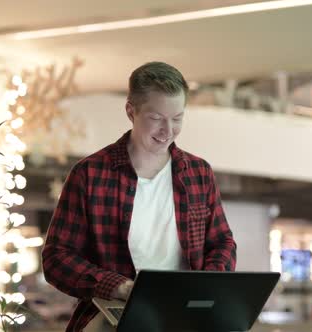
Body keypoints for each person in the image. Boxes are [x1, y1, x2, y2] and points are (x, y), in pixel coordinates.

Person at [42, 61, 237, 331]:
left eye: (177, 118)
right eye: (156, 118)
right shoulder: (90, 174)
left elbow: (222, 243)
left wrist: (207, 285)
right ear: (130, 111)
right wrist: (119, 288)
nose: (168, 131)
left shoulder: (198, 173)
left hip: (186, 317)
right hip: (112, 315)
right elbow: (57, 258)